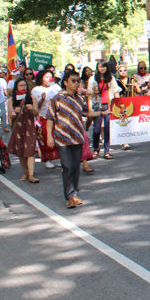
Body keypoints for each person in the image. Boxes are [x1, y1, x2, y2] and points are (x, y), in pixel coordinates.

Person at [46, 70, 112, 208]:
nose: (76, 83)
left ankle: (74, 193)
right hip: (62, 137)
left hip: (77, 136)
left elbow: (86, 112)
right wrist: (49, 136)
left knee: (75, 166)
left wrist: (102, 112)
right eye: (73, 81)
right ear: (65, 83)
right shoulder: (57, 99)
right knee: (67, 166)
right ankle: (69, 197)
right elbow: (50, 118)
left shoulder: (79, 98)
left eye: (77, 81)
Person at [7, 78, 40, 183]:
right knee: (21, 151)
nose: (23, 87)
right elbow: (10, 116)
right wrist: (14, 112)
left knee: (30, 151)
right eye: (20, 85)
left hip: (29, 126)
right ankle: (25, 172)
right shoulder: (12, 100)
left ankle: (31, 175)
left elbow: (36, 113)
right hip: (18, 127)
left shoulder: (32, 98)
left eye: (24, 85)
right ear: (16, 87)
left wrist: (32, 109)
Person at [87, 60, 119, 159]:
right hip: (97, 106)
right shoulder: (92, 79)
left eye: (104, 66)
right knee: (96, 129)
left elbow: (115, 91)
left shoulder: (110, 78)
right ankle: (96, 149)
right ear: (97, 67)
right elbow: (89, 95)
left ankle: (106, 150)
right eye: (100, 66)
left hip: (107, 105)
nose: (102, 68)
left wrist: (118, 104)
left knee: (107, 129)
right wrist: (89, 108)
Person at [31, 69, 62, 169]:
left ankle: (62, 157)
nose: (49, 79)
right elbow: (36, 107)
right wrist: (42, 99)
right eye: (47, 77)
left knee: (59, 137)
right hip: (43, 117)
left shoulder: (56, 87)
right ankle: (48, 159)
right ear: (41, 78)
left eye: (51, 76)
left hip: (57, 116)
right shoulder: (36, 90)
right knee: (46, 138)